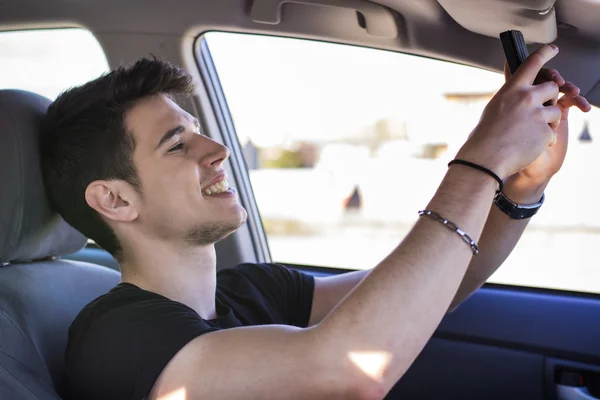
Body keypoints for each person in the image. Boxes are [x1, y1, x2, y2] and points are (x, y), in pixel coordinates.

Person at [40, 45, 590, 400]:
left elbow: (431, 290)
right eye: (177, 144)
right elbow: (349, 370)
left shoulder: (253, 290)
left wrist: (520, 186)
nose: (218, 148)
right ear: (113, 201)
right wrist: (482, 159)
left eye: (200, 131)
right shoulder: (115, 337)